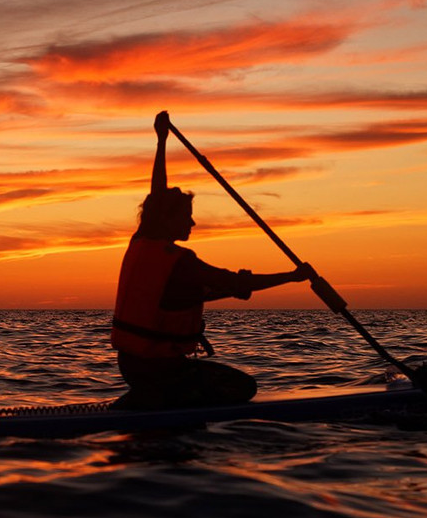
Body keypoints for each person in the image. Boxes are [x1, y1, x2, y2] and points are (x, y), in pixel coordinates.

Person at [111, 111, 315, 409]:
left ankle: (147, 398)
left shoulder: (140, 241)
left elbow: (157, 195)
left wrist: (161, 141)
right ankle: (158, 402)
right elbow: (235, 282)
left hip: (131, 365)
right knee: (243, 387)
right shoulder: (181, 261)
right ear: (168, 220)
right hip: (160, 369)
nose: (192, 224)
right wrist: (292, 276)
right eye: (187, 217)